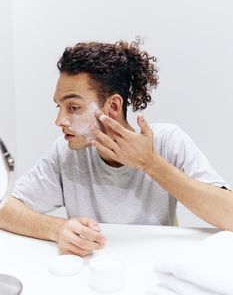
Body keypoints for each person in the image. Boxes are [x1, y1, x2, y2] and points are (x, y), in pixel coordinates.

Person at [0, 41, 232, 257]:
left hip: (157, 266)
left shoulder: (167, 141)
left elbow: (228, 215)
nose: (59, 120)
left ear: (113, 105)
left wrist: (149, 163)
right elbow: (3, 207)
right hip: (92, 270)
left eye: (73, 107)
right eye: (59, 107)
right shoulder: (66, 152)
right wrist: (58, 228)